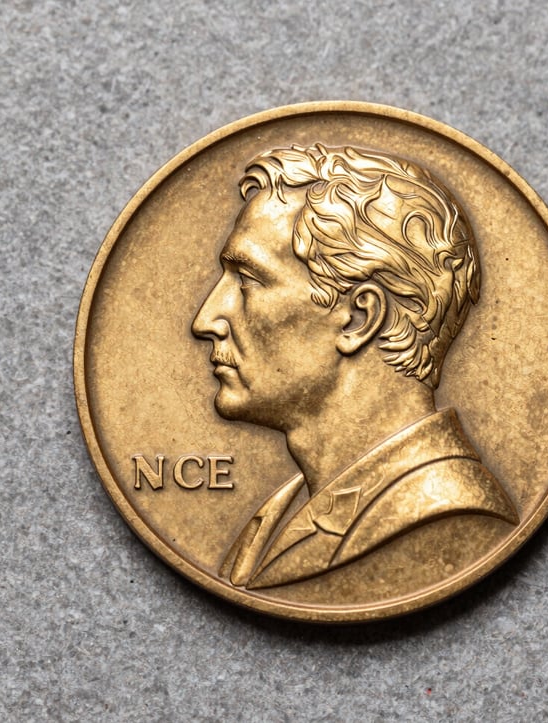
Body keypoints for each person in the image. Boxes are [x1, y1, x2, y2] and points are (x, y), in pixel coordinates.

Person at [192, 144, 518, 589]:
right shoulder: (281, 512)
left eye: (248, 280)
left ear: (360, 317)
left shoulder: (447, 514)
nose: (205, 320)